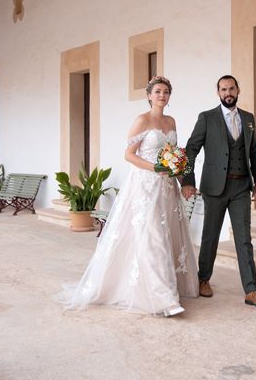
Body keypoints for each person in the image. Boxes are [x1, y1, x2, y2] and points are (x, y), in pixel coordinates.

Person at [60, 76, 198, 316]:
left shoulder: (171, 121)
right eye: (157, 92)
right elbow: (129, 155)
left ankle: (169, 287)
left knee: (167, 235)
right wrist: (153, 168)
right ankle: (164, 298)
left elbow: (174, 154)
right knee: (153, 237)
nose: (162, 96)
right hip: (146, 186)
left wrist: (182, 180)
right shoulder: (142, 120)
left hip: (167, 189)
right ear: (149, 95)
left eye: (166, 92)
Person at [181, 75, 256, 307]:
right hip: (214, 187)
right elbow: (191, 150)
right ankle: (203, 279)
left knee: (244, 239)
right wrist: (187, 180)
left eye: (231, 88)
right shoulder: (207, 118)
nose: (227, 92)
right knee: (210, 236)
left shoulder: (248, 118)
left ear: (238, 90)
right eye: (223, 89)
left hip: (241, 185)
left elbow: (255, 151)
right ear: (218, 92)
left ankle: (251, 289)